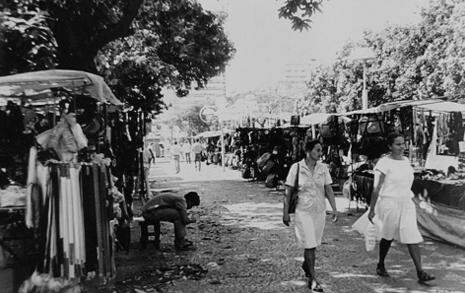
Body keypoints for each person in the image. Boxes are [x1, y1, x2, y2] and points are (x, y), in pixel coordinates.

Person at [367, 132, 435, 283]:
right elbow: (376, 188)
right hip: (389, 203)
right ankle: (381, 263)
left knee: (412, 234)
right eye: (398, 144)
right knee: (388, 236)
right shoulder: (384, 163)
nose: (402, 147)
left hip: (406, 202)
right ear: (390, 146)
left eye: (403, 143)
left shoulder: (405, 161)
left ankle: (420, 271)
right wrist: (372, 209)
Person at [283, 140, 338, 292]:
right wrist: (285, 212)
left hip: (319, 212)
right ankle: (313, 279)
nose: (321, 153)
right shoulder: (297, 168)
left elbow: (328, 189)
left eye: (321, 151)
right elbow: (288, 191)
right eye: (318, 150)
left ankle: (306, 265)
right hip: (303, 211)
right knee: (310, 245)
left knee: (313, 243)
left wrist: (334, 209)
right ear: (308, 151)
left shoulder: (323, 168)